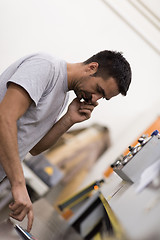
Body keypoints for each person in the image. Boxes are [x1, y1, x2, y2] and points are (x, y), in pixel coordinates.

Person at [0, 50, 131, 231]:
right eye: (99, 90)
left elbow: (35, 148)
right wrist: (18, 183)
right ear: (92, 68)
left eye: (103, 98)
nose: (95, 100)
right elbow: (4, 118)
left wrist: (69, 119)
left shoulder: (62, 97)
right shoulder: (46, 68)